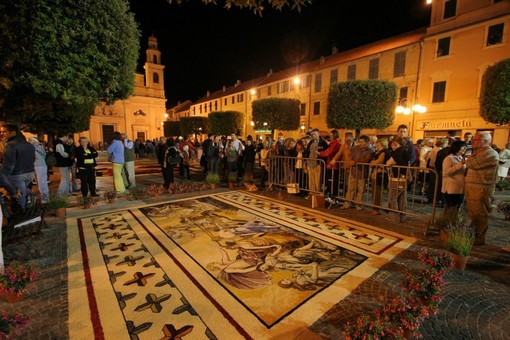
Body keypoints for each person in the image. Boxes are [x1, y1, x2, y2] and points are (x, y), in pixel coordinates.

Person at [465, 132, 499, 245]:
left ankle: (478, 238)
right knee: (473, 213)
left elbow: (470, 164)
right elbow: (469, 161)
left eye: (475, 139)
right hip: (472, 185)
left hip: (481, 187)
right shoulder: (478, 152)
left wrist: (469, 159)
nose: (472, 141)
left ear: (484, 141)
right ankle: (472, 235)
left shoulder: (490, 153)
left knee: (480, 213)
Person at [0, 124, 35, 208]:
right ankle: (29, 206)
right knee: (23, 192)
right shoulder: (29, 145)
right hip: (30, 173)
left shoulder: (10, 145)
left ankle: (23, 216)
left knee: (20, 198)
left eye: (4, 132)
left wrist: (5, 177)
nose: (2, 134)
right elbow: (33, 159)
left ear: (13, 133)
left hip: (17, 175)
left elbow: (9, 166)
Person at [340, 135, 373, 210]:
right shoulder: (355, 149)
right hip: (353, 171)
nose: (360, 144)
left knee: (360, 190)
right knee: (350, 188)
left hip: (362, 172)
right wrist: (350, 162)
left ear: (367, 142)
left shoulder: (370, 151)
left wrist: (355, 162)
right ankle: (347, 203)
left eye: (362, 142)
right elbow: (350, 157)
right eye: (359, 142)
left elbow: (366, 160)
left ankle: (358, 205)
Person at [386, 137, 411, 223]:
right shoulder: (405, 151)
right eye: (392, 144)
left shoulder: (397, 152)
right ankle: (402, 216)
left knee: (393, 197)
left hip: (396, 177)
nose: (393, 146)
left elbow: (388, 163)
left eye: (395, 144)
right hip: (403, 177)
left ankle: (394, 217)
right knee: (402, 198)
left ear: (400, 144)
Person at [441, 141, 467, 214]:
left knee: (456, 208)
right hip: (451, 188)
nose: (465, 149)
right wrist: (460, 165)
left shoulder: (460, 157)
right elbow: (446, 172)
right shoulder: (449, 158)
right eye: (463, 147)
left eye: (465, 147)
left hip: (460, 188)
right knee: (451, 208)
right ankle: (446, 223)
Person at [369, 138, 390, 215]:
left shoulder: (383, 153)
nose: (376, 146)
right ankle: (374, 207)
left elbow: (377, 162)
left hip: (380, 174)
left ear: (383, 146)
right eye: (376, 145)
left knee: (378, 192)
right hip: (375, 173)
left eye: (378, 145)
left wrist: (373, 162)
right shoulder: (377, 153)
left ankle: (377, 209)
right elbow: (371, 162)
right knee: (374, 192)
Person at [75, 137, 99, 202]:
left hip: (91, 167)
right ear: (80, 142)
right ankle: (84, 195)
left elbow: (96, 154)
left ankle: (93, 193)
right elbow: (80, 156)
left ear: (87, 142)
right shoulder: (78, 149)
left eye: (85, 141)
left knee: (92, 180)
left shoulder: (91, 148)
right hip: (83, 168)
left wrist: (87, 155)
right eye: (82, 141)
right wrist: (90, 155)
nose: (84, 143)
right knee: (84, 182)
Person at [305, 129, 328, 195]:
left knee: (317, 180)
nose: (313, 135)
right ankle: (311, 193)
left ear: (318, 134)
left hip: (318, 163)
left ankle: (317, 194)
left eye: (314, 134)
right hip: (310, 163)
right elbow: (307, 152)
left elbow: (325, 152)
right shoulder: (310, 142)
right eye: (312, 134)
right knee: (311, 180)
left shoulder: (322, 142)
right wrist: (306, 162)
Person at [319, 130, 341, 197]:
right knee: (330, 180)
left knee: (332, 181)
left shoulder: (336, 143)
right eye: (330, 135)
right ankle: (330, 193)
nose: (330, 137)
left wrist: (320, 153)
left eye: (332, 135)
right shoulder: (333, 142)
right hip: (331, 163)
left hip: (333, 165)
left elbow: (329, 152)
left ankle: (332, 195)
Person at [29, 137, 49, 204]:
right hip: (39, 165)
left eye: (30, 140)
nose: (29, 142)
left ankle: (45, 199)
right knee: (41, 182)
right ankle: (44, 199)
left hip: (40, 165)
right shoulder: (38, 147)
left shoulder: (36, 147)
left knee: (41, 183)